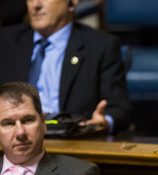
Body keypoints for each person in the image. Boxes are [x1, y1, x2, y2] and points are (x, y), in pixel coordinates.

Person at [0, 0, 131, 134]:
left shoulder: (101, 46)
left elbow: (119, 109)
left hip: (72, 142)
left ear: (72, 3)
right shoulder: (5, 41)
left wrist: (104, 122)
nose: (36, 5)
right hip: (13, 139)